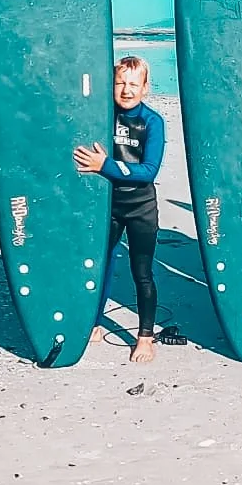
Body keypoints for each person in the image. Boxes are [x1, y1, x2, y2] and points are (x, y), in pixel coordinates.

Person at [74, 56, 166, 364]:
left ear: (145, 87)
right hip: (108, 207)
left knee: (142, 273)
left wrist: (106, 165)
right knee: (101, 268)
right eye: (120, 83)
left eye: (133, 84)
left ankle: (145, 337)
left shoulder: (153, 122)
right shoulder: (101, 116)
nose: (126, 90)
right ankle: (95, 322)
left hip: (140, 207)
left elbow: (148, 171)